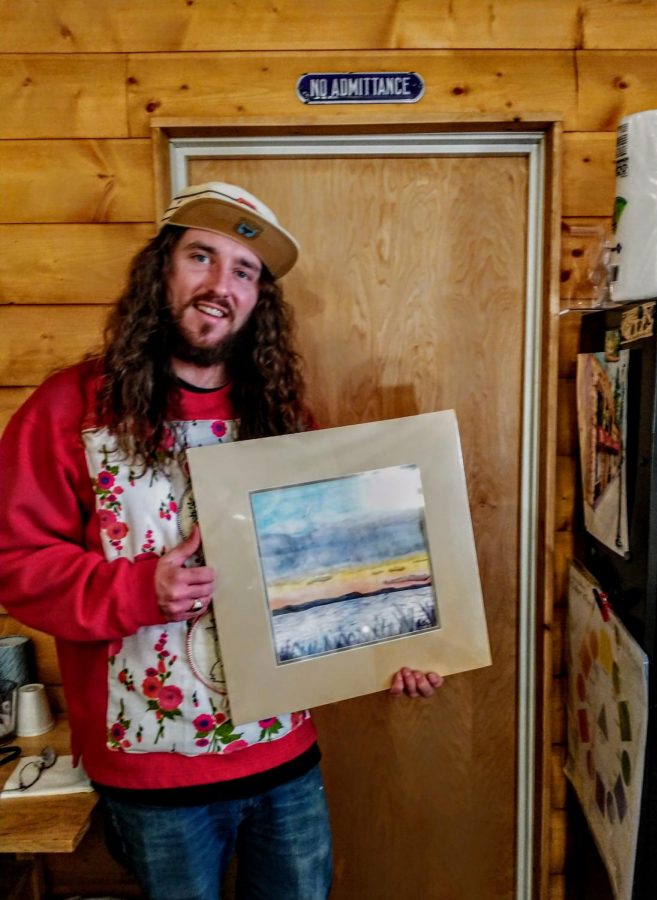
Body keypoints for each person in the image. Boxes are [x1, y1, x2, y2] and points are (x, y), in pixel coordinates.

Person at [0, 182, 443, 900]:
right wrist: (140, 589)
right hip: (153, 772)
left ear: (258, 300)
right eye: (201, 257)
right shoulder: (67, 409)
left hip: (283, 756)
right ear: (160, 271)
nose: (220, 285)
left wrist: (394, 646)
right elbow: (15, 564)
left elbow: (333, 570)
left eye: (243, 271)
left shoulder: (281, 416)